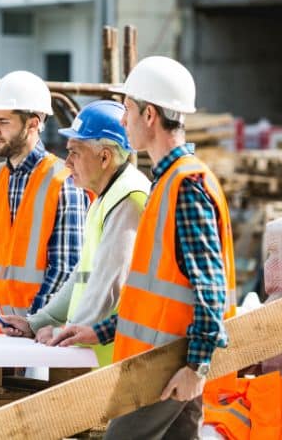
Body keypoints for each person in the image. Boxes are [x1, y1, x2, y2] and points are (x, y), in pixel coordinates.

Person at [49, 56, 237, 439]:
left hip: (167, 366)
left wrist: (196, 368)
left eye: (129, 110)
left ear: (149, 115)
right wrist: (99, 331)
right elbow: (155, 297)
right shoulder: (167, 183)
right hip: (160, 362)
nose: (123, 121)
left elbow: (210, 288)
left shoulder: (185, 186)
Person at [0, 100, 150, 367]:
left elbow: (108, 286)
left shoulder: (128, 198)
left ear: (104, 157)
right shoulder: (106, 197)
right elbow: (82, 277)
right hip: (98, 356)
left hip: (115, 361)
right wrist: (38, 323)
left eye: (75, 153)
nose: (66, 163)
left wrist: (65, 333)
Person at [0, 70, 89, 333]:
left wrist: (33, 321)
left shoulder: (63, 181)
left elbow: (66, 267)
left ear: (33, 123)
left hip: (36, 336)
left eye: (3, 122)